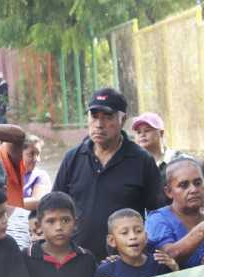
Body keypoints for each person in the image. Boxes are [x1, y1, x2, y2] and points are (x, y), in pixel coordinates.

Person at [53, 88, 162, 260]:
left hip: (125, 264)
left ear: (122, 119)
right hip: (77, 261)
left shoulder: (141, 160)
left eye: (107, 117)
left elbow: (159, 214)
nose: (99, 124)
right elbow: (56, 207)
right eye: (94, 116)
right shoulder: (73, 158)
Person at [132, 112, 182, 207]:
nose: (142, 134)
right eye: (138, 132)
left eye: (147, 130)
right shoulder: (133, 164)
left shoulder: (180, 160)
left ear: (161, 133)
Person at [21, 134, 52, 211]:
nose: (37, 159)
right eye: (31, 154)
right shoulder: (5, 173)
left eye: (38, 154)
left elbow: (38, 201)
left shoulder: (40, 176)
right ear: (18, 154)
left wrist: (6, 203)